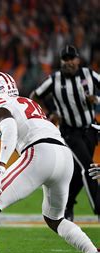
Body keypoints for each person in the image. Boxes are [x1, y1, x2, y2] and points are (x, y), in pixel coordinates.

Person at [0, 72, 99, 253]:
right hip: (64, 156)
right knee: (55, 218)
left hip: (39, 152)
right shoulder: (27, 102)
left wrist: (0, 166)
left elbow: (10, 126)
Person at [30, 45, 100, 221]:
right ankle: (99, 209)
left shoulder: (89, 75)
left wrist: (97, 99)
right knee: (88, 168)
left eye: (71, 58)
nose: (69, 62)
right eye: (65, 59)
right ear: (61, 62)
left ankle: (67, 205)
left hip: (90, 130)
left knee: (79, 172)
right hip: (70, 132)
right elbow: (35, 96)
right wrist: (50, 113)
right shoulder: (54, 80)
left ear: (78, 59)